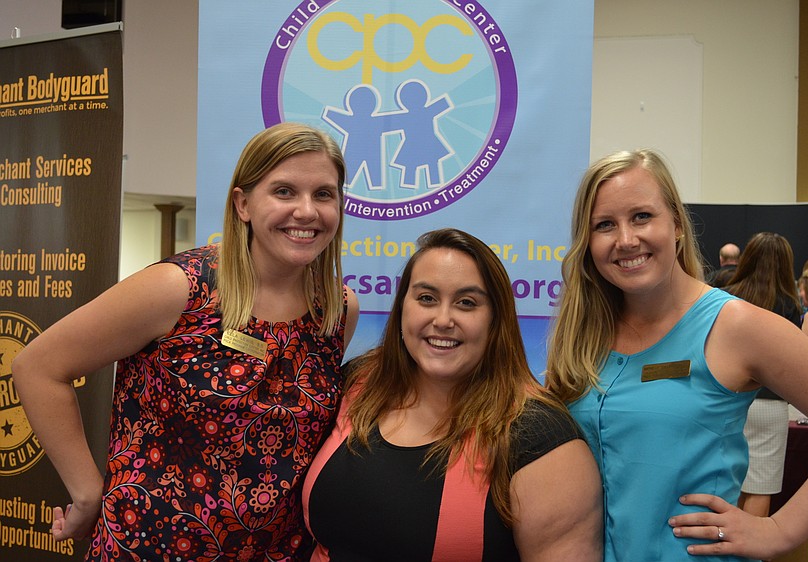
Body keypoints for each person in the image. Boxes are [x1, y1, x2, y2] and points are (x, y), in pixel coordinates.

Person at [12, 122, 360, 561]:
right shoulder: (180, 289)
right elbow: (38, 368)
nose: (307, 211)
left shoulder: (335, 308)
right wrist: (86, 494)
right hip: (150, 546)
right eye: (285, 191)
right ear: (243, 204)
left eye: (324, 194)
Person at [546, 148, 808, 561]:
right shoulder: (582, 334)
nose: (626, 239)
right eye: (604, 225)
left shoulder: (735, 326)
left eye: (641, 216)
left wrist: (780, 529)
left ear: (675, 223)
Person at [302, 228, 602, 561]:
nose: (443, 320)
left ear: (495, 320)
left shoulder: (539, 436)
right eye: (427, 298)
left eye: (466, 303)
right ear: (403, 307)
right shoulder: (358, 384)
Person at [722, 233, 802, 521]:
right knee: (760, 486)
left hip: (725, 397)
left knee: (726, 483)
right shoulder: (791, 307)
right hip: (769, 402)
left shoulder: (724, 294)